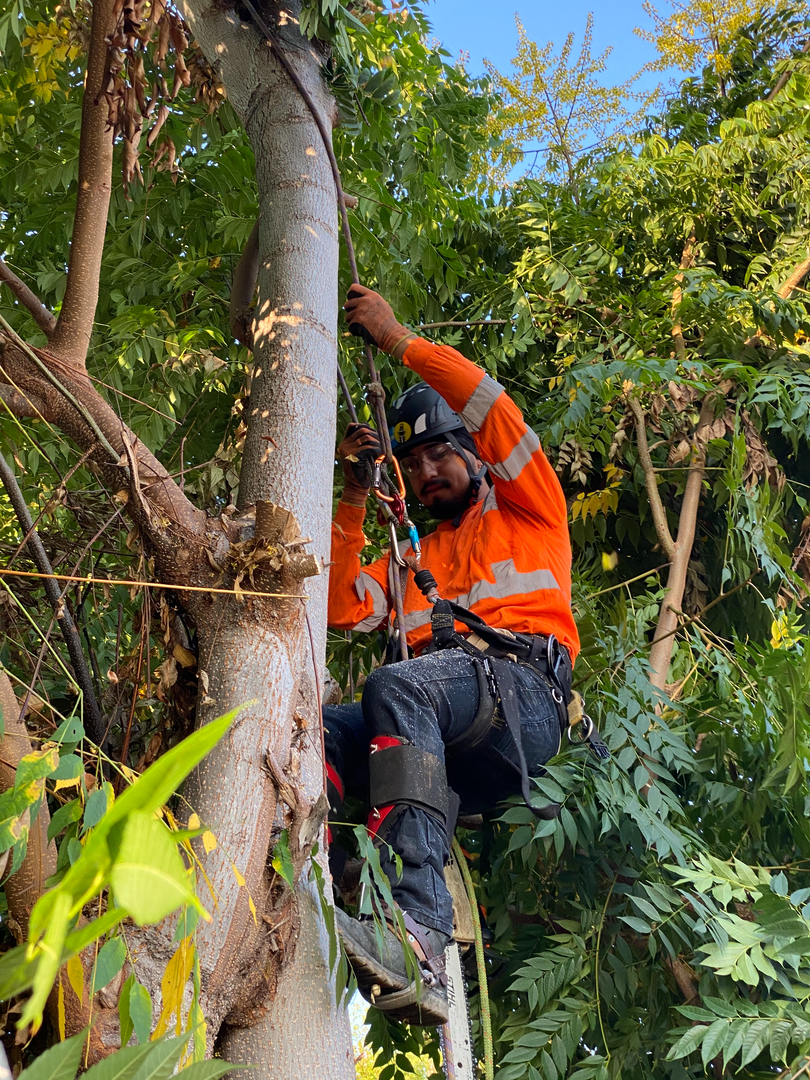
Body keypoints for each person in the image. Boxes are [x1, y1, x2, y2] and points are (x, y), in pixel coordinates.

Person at [324, 285, 580, 1025]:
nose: (428, 471)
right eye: (414, 463)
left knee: (399, 686)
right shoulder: (415, 559)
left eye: (442, 452)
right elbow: (343, 606)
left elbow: (493, 408)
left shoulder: (530, 508)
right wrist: (351, 496)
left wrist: (399, 340)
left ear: (473, 454)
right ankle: (336, 866)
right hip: (447, 721)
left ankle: (423, 931)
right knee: (319, 726)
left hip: (522, 705)